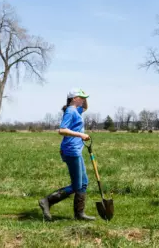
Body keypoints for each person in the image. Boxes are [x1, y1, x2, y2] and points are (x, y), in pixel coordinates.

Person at [39, 88, 95, 221]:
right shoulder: (70, 111)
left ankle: (79, 214)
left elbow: (85, 107)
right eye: (80, 97)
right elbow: (62, 130)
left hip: (76, 150)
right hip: (71, 150)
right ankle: (47, 201)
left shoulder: (77, 110)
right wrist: (81, 134)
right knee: (77, 185)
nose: (83, 100)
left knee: (84, 182)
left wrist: (84, 95)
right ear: (74, 98)